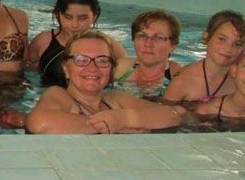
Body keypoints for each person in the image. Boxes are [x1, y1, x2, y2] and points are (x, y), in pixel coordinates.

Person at [26, 30, 184, 134]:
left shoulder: (114, 99)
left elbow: (172, 115)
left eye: (102, 60)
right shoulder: (60, 95)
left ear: (111, 68)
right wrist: (109, 125)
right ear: (66, 68)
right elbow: (39, 122)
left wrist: (122, 119)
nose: (92, 68)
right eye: (81, 60)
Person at [26, 0, 127, 88]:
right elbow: (29, 76)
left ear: (94, 16)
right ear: (57, 14)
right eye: (68, 17)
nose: (75, 25)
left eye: (83, 18)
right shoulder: (43, 42)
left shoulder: (110, 47)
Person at [164, 10, 245, 103]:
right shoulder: (182, 81)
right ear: (206, 37)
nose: (228, 49)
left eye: (237, 44)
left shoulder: (243, 82)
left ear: (244, 48)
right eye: (222, 39)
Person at [114, 10, 184, 93]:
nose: (148, 44)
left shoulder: (181, 78)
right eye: (142, 36)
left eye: (158, 37)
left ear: (173, 45)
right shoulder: (120, 68)